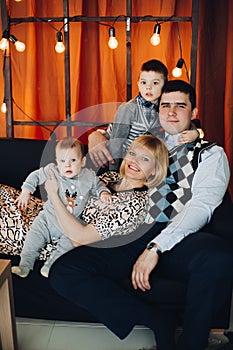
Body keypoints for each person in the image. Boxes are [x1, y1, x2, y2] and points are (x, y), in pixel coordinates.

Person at [48, 80, 233, 350]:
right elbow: (106, 136)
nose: (171, 112)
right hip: (131, 230)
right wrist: (98, 137)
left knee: (219, 256)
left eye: (180, 106)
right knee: (63, 272)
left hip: (179, 237)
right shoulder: (147, 138)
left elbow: (201, 207)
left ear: (194, 112)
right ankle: (159, 321)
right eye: (164, 105)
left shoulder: (210, 154)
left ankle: (191, 345)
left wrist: (156, 247)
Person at [11, 136, 112, 278]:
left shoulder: (89, 176)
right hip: (47, 219)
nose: (67, 165)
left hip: (70, 223)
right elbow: (35, 176)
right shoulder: (53, 171)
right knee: (33, 238)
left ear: (83, 161)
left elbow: (98, 186)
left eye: (73, 160)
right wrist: (26, 191)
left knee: (70, 243)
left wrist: (103, 193)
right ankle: (25, 265)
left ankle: (50, 265)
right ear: (57, 162)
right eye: (63, 161)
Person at [88, 59, 201, 171]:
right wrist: (113, 170)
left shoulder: (164, 107)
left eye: (155, 83)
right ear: (138, 84)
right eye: (143, 82)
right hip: (120, 157)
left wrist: (195, 132)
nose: (148, 87)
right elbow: (117, 141)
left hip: (143, 160)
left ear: (164, 85)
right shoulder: (128, 109)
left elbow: (182, 121)